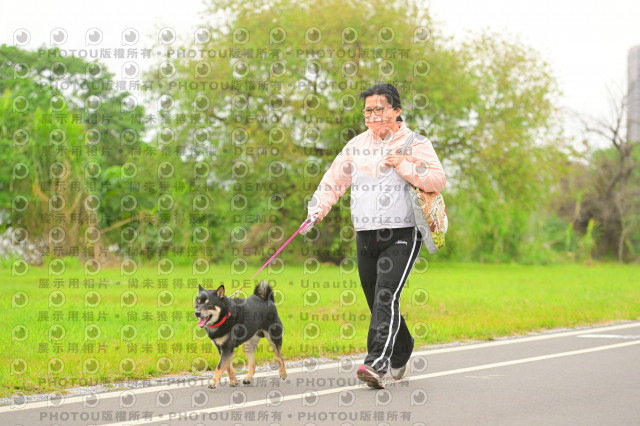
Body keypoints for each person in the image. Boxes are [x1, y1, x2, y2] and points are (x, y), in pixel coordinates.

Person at [300, 83, 447, 388]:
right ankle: (402, 347)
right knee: (376, 300)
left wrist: (405, 165)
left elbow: (437, 180)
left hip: (403, 232)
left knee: (385, 295)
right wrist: (316, 210)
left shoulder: (416, 143)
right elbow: (333, 181)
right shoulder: (356, 145)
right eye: (367, 111)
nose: (372, 116)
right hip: (366, 234)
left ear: (396, 111)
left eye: (379, 109)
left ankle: (375, 364)